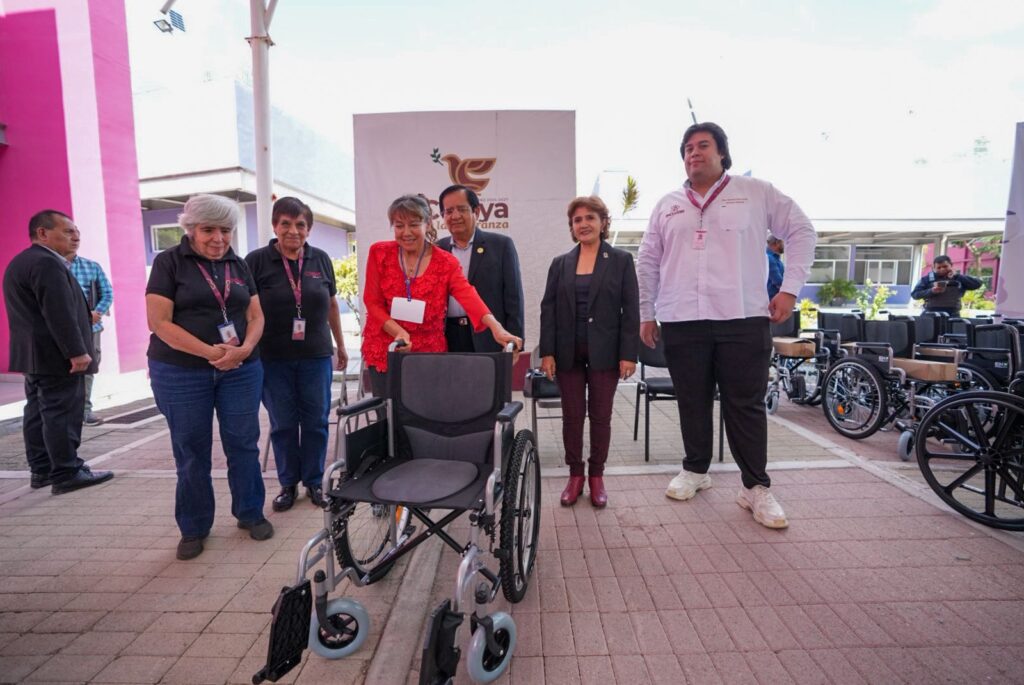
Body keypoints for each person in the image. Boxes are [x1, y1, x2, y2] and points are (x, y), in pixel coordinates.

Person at [636, 122, 816, 529]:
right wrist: (647, 311)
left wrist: (790, 289)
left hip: (743, 315)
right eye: (687, 148)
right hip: (682, 317)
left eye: (703, 145)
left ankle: (755, 487)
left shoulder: (756, 192)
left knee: (745, 403)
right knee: (692, 399)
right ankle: (695, 469)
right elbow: (647, 260)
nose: (693, 153)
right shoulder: (667, 204)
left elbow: (802, 230)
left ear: (722, 153)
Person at [145, 194, 270, 560]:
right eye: (208, 230)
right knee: (191, 449)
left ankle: (250, 512)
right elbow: (159, 323)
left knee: (243, 443)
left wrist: (244, 349)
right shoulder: (169, 262)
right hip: (181, 372)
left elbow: (256, 315)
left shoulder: (238, 264)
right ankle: (194, 527)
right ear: (191, 229)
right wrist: (212, 354)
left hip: (240, 370)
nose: (218, 238)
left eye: (225, 230)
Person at [362, 194, 522, 397]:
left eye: (414, 224)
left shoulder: (445, 262)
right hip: (387, 347)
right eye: (399, 226)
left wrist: (496, 328)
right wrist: (398, 332)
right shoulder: (379, 253)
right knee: (387, 411)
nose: (406, 232)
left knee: (426, 411)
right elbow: (372, 302)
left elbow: (468, 295)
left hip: (428, 352)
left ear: (428, 224)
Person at [246, 197, 347, 512]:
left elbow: (331, 305)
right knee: (283, 423)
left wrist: (341, 344)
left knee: (316, 421)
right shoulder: (256, 261)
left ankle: (315, 481)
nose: (293, 231)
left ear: (309, 229)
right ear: (275, 226)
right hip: (272, 358)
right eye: (285, 224)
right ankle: (288, 483)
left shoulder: (321, 259)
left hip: (316, 355)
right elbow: (247, 309)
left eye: (300, 225)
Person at [3, 210, 114, 495]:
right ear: (42, 233)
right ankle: (67, 472)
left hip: (35, 355)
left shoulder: (22, 261)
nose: (76, 237)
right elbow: (59, 312)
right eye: (68, 231)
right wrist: (77, 351)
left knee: (38, 411)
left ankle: (42, 470)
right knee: (61, 412)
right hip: (57, 356)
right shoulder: (47, 263)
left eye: (77, 232)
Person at [539, 196, 639, 508]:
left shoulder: (621, 260)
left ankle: (596, 476)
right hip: (566, 353)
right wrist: (547, 352)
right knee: (572, 417)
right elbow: (549, 310)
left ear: (603, 222)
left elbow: (631, 310)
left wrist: (629, 354)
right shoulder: (560, 263)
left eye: (590, 218)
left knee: (600, 416)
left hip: (606, 353)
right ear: (572, 227)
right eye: (577, 220)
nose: (583, 224)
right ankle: (575, 475)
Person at [436, 185, 525, 353]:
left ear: (476, 211)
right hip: (448, 337)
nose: (455, 216)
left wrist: (514, 344)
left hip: (489, 337)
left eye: (462, 209)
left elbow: (514, 299)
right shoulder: (438, 249)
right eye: (449, 211)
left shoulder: (501, 245)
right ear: (442, 216)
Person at [68, 251, 113, 426]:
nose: (74, 239)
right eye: (69, 236)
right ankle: (68, 410)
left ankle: (85, 411)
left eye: (77, 237)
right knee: (65, 368)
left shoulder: (91, 266)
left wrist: (96, 313)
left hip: (91, 328)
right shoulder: (51, 266)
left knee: (87, 369)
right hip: (62, 328)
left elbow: (107, 293)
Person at [911, 254, 983, 317]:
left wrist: (957, 276)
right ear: (934, 268)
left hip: (953, 315)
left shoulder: (959, 278)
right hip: (931, 314)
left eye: (945, 266)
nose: (942, 269)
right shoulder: (927, 279)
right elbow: (915, 294)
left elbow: (977, 284)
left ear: (951, 265)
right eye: (939, 267)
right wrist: (932, 291)